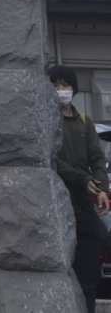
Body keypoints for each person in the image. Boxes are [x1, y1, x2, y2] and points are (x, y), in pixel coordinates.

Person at [49, 64, 110, 312]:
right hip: (55, 201)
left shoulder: (84, 121)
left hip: (82, 205)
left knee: (88, 274)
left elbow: (97, 157)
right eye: (56, 85)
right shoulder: (44, 119)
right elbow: (51, 158)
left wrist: (102, 187)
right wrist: (82, 180)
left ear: (74, 89)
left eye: (66, 85)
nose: (61, 90)